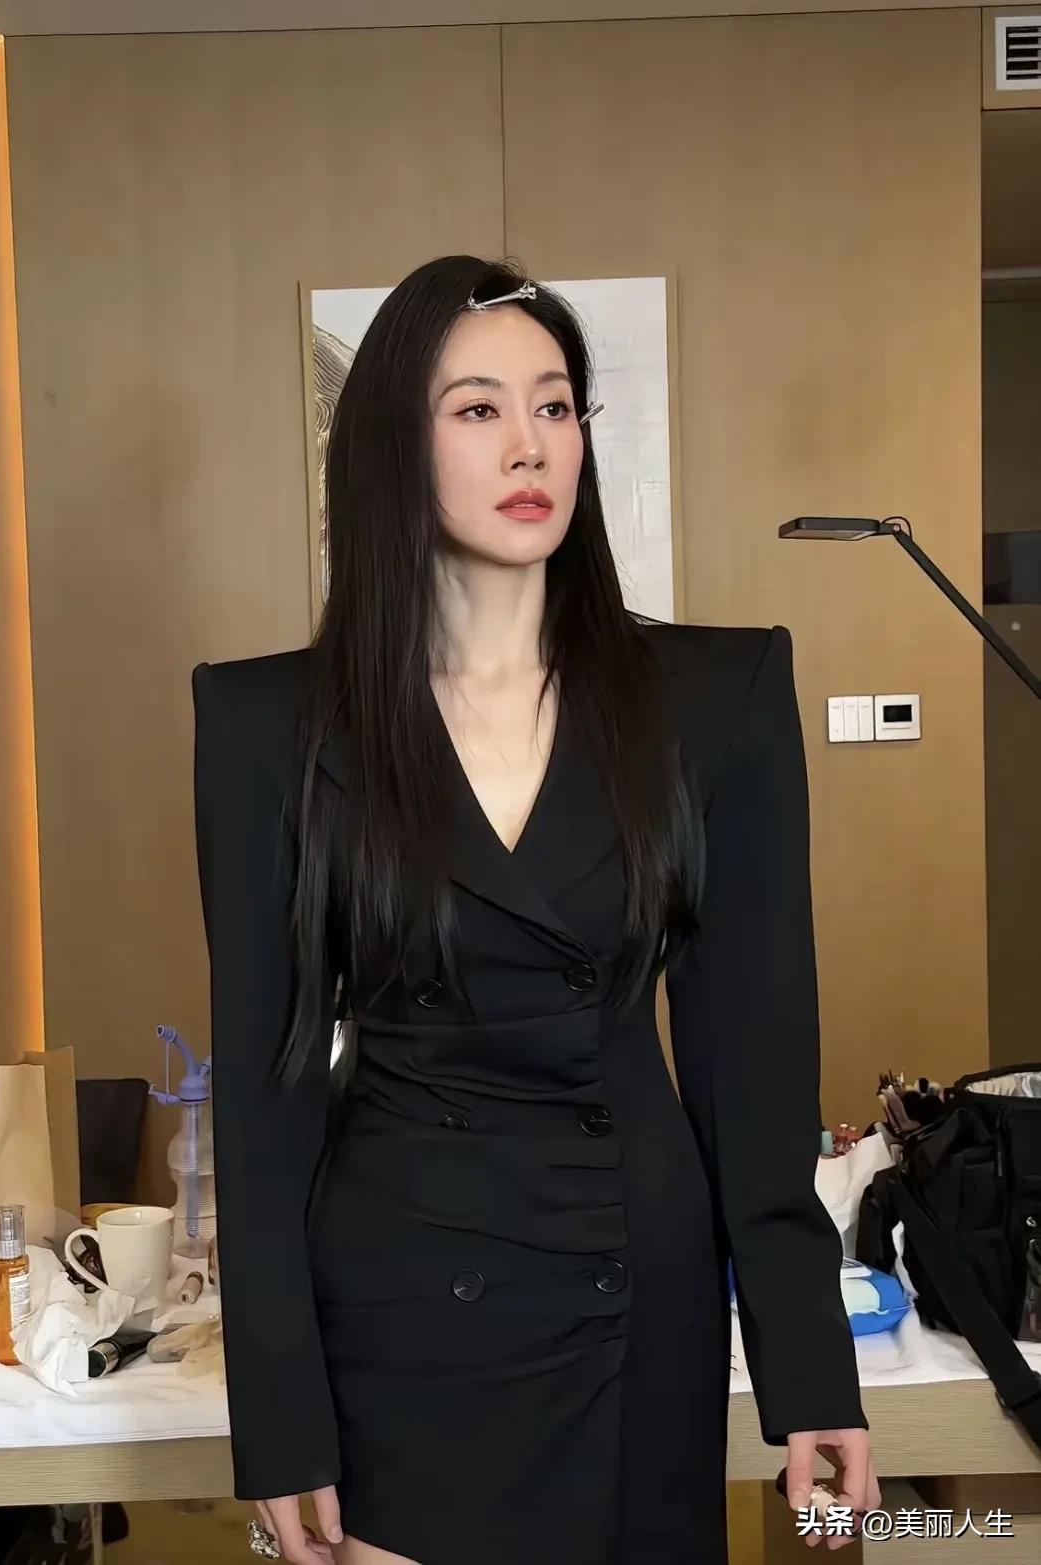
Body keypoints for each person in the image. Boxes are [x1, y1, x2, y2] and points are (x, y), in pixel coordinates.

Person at [191, 255, 879, 1565]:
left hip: (635, 1277)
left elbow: (751, 1066)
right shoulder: (267, 723)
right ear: (394, 447)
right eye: (478, 408)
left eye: (555, 405)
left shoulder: (717, 697)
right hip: (399, 1296)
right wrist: (277, 1417)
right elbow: (265, 1101)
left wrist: (807, 1366)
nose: (530, 443)